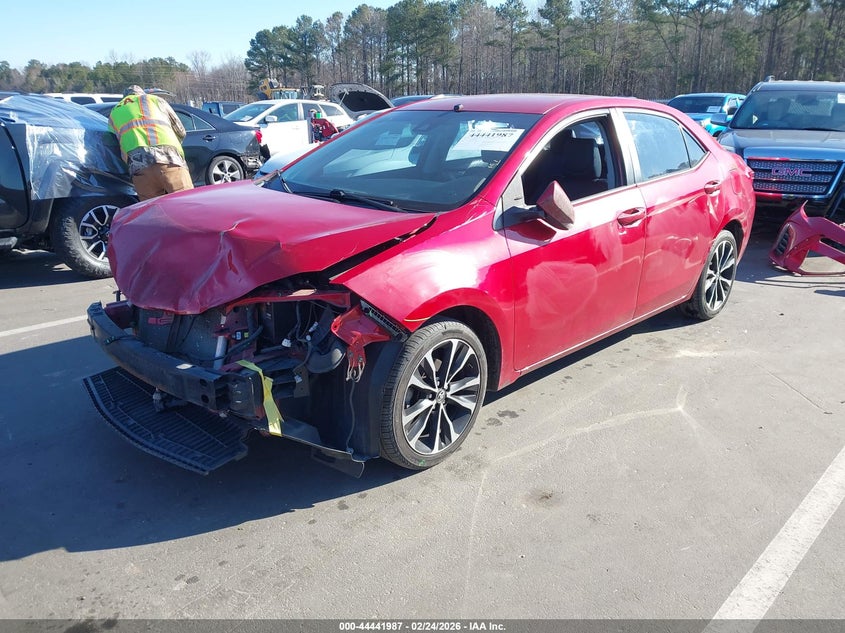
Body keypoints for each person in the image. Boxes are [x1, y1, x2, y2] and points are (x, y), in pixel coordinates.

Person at [108, 85, 193, 201]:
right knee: (187, 203)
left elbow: (112, 142)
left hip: (138, 167)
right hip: (169, 159)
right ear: (141, 93)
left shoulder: (114, 112)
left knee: (153, 211)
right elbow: (180, 131)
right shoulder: (154, 99)